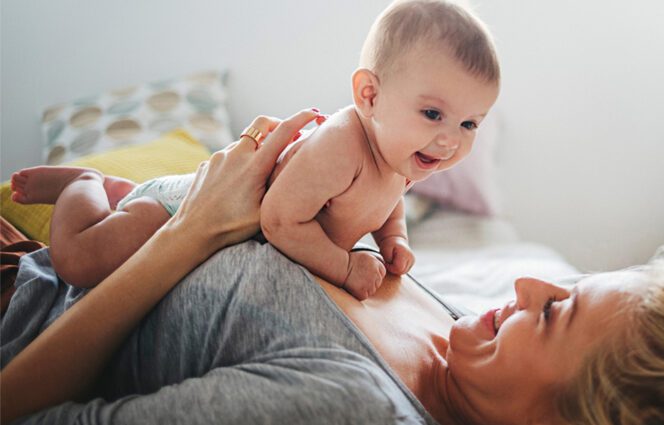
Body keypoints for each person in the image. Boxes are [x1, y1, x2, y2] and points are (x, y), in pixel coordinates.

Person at [1, 120, 664, 423]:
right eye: (564, 285)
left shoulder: (351, 405)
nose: (525, 286)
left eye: (555, 314)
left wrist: (186, 235)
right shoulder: (453, 335)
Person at [8, 0, 501, 300]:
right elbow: (280, 222)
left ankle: (124, 192)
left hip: (206, 226)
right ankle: (84, 185)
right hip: (183, 211)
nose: (450, 139)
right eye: (434, 114)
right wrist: (345, 266)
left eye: (469, 123)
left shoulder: (403, 154)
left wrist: (395, 240)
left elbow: (388, 200)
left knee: (128, 211)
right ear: (369, 95)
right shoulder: (341, 144)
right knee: (82, 264)